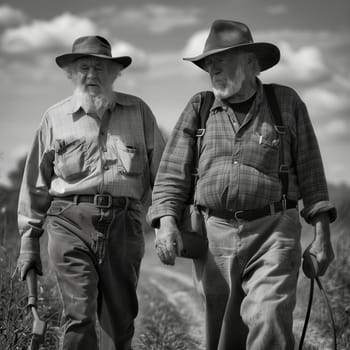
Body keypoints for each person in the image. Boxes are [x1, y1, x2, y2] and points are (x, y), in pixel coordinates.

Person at [147, 20, 337, 350]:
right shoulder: (200, 107)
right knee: (223, 337)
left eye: (223, 61)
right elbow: (171, 174)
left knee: (269, 316)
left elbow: (312, 174)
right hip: (213, 234)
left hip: (274, 230)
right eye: (209, 64)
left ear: (251, 62)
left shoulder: (286, 103)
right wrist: (165, 224)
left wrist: (321, 236)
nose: (213, 69)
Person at [16, 35, 165, 350]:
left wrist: (167, 224)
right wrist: (29, 242)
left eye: (100, 68)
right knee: (79, 314)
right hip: (69, 222)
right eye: (83, 67)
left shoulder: (138, 111)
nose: (92, 75)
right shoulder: (54, 118)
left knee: (119, 321)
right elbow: (35, 183)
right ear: (71, 73)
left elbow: (163, 176)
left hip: (124, 224)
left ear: (114, 74)